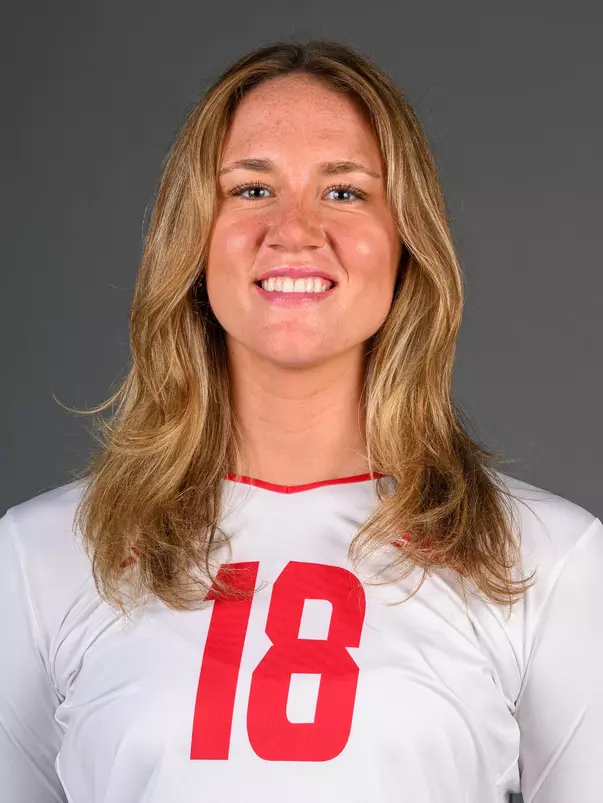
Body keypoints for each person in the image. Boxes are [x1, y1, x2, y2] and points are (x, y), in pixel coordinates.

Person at [0, 38, 601, 803]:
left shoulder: (544, 560)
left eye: (343, 192)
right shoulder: (36, 558)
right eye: (251, 189)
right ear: (194, 237)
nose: (293, 229)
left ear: (404, 241)